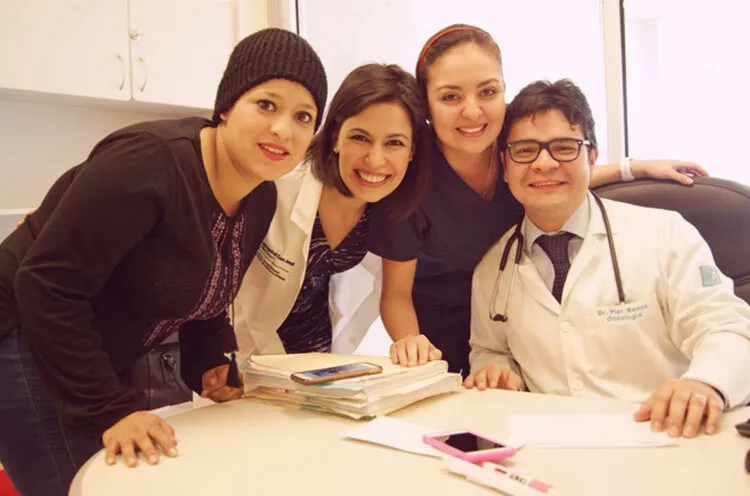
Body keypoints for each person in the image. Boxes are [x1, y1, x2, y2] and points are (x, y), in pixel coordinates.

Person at [0, 28, 327, 496]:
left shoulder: (260, 198)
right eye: (267, 105)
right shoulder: (150, 164)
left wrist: (208, 360)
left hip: (94, 347)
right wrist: (108, 412)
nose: (284, 130)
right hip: (21, 334)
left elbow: (212, 287)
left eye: (304, 116)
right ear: (228, 106)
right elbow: (47, 284)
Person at [368, 24, 708, 375]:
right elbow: (395, 295)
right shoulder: (412, 177)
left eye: (487, 91)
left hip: (526, 329)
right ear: (426, 104)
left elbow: (557, 170)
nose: (472, 112)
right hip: (441, 340)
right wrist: (414, 350)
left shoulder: (512, 139)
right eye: (450, 97)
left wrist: (632, 167)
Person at [465, 78, 750, 439]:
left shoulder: (664, 235)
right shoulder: (492, 267)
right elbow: (489, 349)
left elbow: (726, 327)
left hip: (662, 437)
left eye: (564, 147)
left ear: (592, 157)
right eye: (525, 150)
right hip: (551, 450)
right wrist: (496, 369)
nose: (544, 163)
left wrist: (705, 384)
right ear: (505, 165)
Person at [230, 63, 429, 368]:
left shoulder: (394, 205)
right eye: (360, 137)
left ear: (412, 150)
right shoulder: (279, 186)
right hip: (240, 345)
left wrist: (411, 345)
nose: (375, 159)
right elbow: (222, 281)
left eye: (394, 143)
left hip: (315, 353)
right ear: (335, 136)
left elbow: (396, 294)